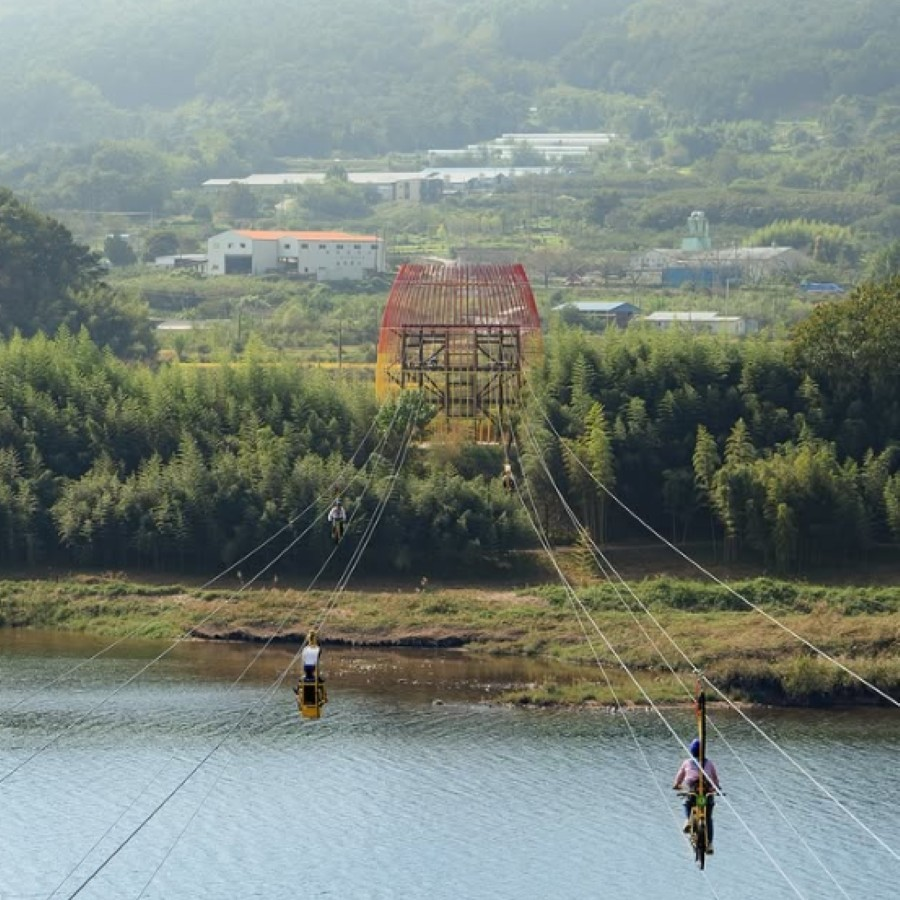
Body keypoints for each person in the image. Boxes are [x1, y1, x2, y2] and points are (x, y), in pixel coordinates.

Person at [673, 738, 721, 852]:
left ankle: (687, 820)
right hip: (706, 794)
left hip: (692, 791)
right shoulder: (709, 763)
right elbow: (715, 780)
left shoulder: (687, 763)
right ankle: (709, 844)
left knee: (686, 802)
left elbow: (677, 781)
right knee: (708, 818)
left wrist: (677, 786)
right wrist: (717, 789)